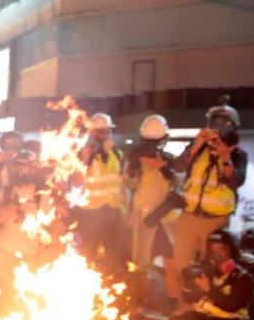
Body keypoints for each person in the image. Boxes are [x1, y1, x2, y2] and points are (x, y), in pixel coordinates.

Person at [166, 100, 248, 307]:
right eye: (215, 122)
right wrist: (196, 146)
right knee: (182, 265)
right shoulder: (198, 148)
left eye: (223, 123)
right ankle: (183, 312)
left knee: (210, 267)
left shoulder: (237, 154)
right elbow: (177, 166)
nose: (218, 128)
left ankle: (206, 311)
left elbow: (236, 181)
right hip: (189, 215)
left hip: (215, 221)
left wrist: (224, 156)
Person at [74, 113, 127, 275]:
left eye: (108, 131)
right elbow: (76, 182)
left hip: (113, 211)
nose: (106, 135)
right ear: (92, 134)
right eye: (101, 132)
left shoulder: (117, 154)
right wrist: (85, 158)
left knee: (114, 255)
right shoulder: (83, 155)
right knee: (87, 253)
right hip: (91, 213)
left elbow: (122, 184)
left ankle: (113, 288)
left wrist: (126, 210)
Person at [125, 114, 177, 271]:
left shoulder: (169, 160)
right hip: (145, 216)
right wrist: (134, 168)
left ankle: (172, 293)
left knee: (173, 258)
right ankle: (139, 293)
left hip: (165, 215)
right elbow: (128, 184)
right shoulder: (135, 160)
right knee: (141, 260)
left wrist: (162, 167)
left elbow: (177, 182)